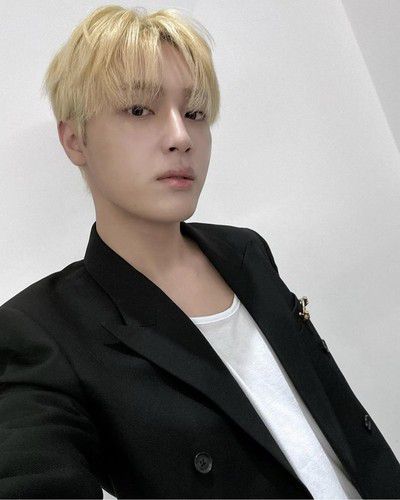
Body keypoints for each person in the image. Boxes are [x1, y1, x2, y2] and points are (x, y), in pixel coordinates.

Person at [0, 4, 399, 499]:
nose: (180, 137)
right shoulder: (43, 330)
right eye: (139, 110)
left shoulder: (245, 252)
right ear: (75, 139)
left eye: (194, 114)